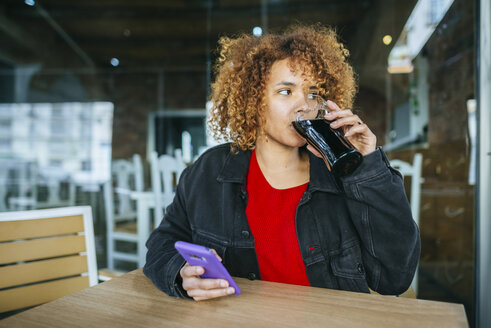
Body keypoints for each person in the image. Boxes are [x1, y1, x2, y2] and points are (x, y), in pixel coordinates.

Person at [144, 24, 421, 301]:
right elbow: (161, 245)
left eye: (312, 93)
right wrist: (181, 274)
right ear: (253, 101)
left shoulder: (343, 174)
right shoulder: (209, 171)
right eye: (286, 92)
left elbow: (394, 278)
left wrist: (367, 167)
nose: (304, 105)